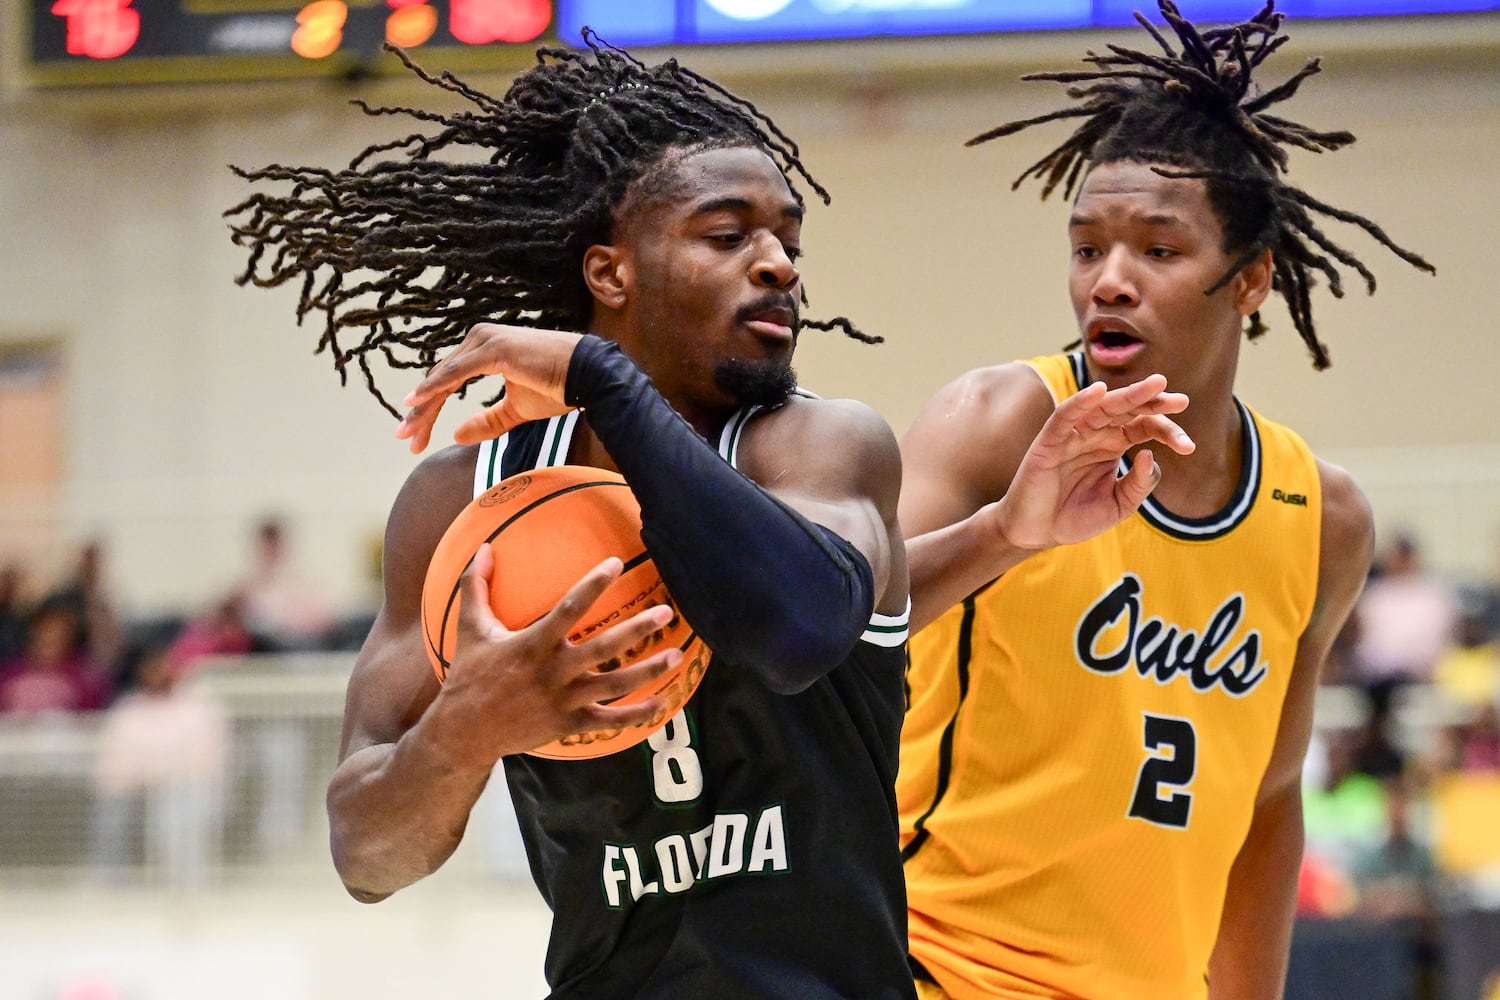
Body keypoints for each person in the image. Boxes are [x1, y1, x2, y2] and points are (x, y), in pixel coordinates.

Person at [227, 32, 1189, 999]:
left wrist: (599, 378)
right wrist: (468, 728)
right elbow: (367, 855)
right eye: (728, 237)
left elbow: (803, 629)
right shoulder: (460, 501)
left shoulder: (817, 445)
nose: (776, 264)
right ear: (611, 275)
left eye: (789, 241)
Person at [895, 3, 1436, 998]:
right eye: (1087, 246)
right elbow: (836, 626)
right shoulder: (996, 421)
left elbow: (1269, 798)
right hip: (936, 972)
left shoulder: (1322, 515)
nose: (1109, 280)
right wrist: (1002, 533)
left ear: (1251, 278)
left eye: (1157, 249)